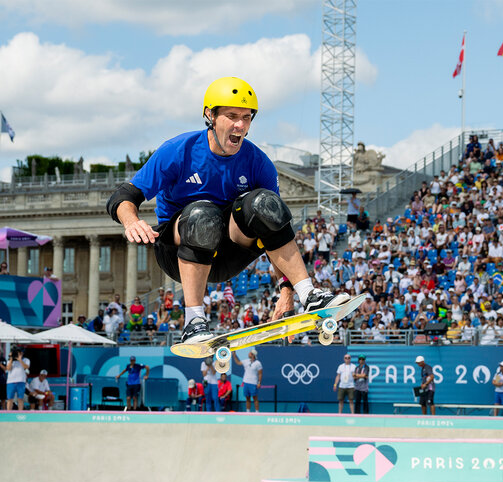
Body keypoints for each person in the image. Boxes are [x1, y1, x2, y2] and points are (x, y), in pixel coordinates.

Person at [107, 76, 349, 345]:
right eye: (232, 116)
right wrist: (131, 221)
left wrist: (286, 292)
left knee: (266, 205)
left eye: (246, 118)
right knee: (203, 214)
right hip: (179, 253)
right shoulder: (178, 151)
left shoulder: (258, 162)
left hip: (230, 252)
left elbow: (276, 232)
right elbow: (124, 196)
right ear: (210, 115)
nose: (240, 126)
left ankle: (310, 295)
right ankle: (194, 321)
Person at [5, 346, 30, 411]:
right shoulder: (10, 360)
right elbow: (8, 368)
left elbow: (26, 367)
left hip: (21, 381)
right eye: (17, 353)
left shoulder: (26, 360)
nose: (18, 354)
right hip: (11, 382)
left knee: (20, 398)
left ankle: (20, 413)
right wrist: (11, 359)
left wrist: (20, 360)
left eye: (20, 352)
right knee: (10, 399)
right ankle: (8, 413)